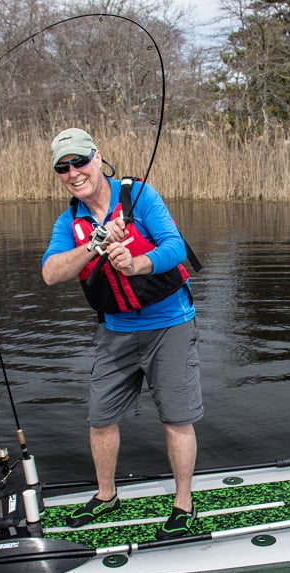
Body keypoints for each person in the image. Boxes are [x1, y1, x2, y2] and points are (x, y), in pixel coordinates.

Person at [41, 128, 202, 539]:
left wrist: (137, 264)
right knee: (100, 419)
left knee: (176, 419)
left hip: (170, 324)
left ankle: (183, 503)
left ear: (97, 158)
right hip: (115, 332)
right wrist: (94, 243)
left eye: (80, 161)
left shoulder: (140, 196)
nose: (74, 172)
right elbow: (51, 273)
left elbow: (175, 247)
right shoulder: (69, 221)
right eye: (64, 167)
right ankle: (106, 494)